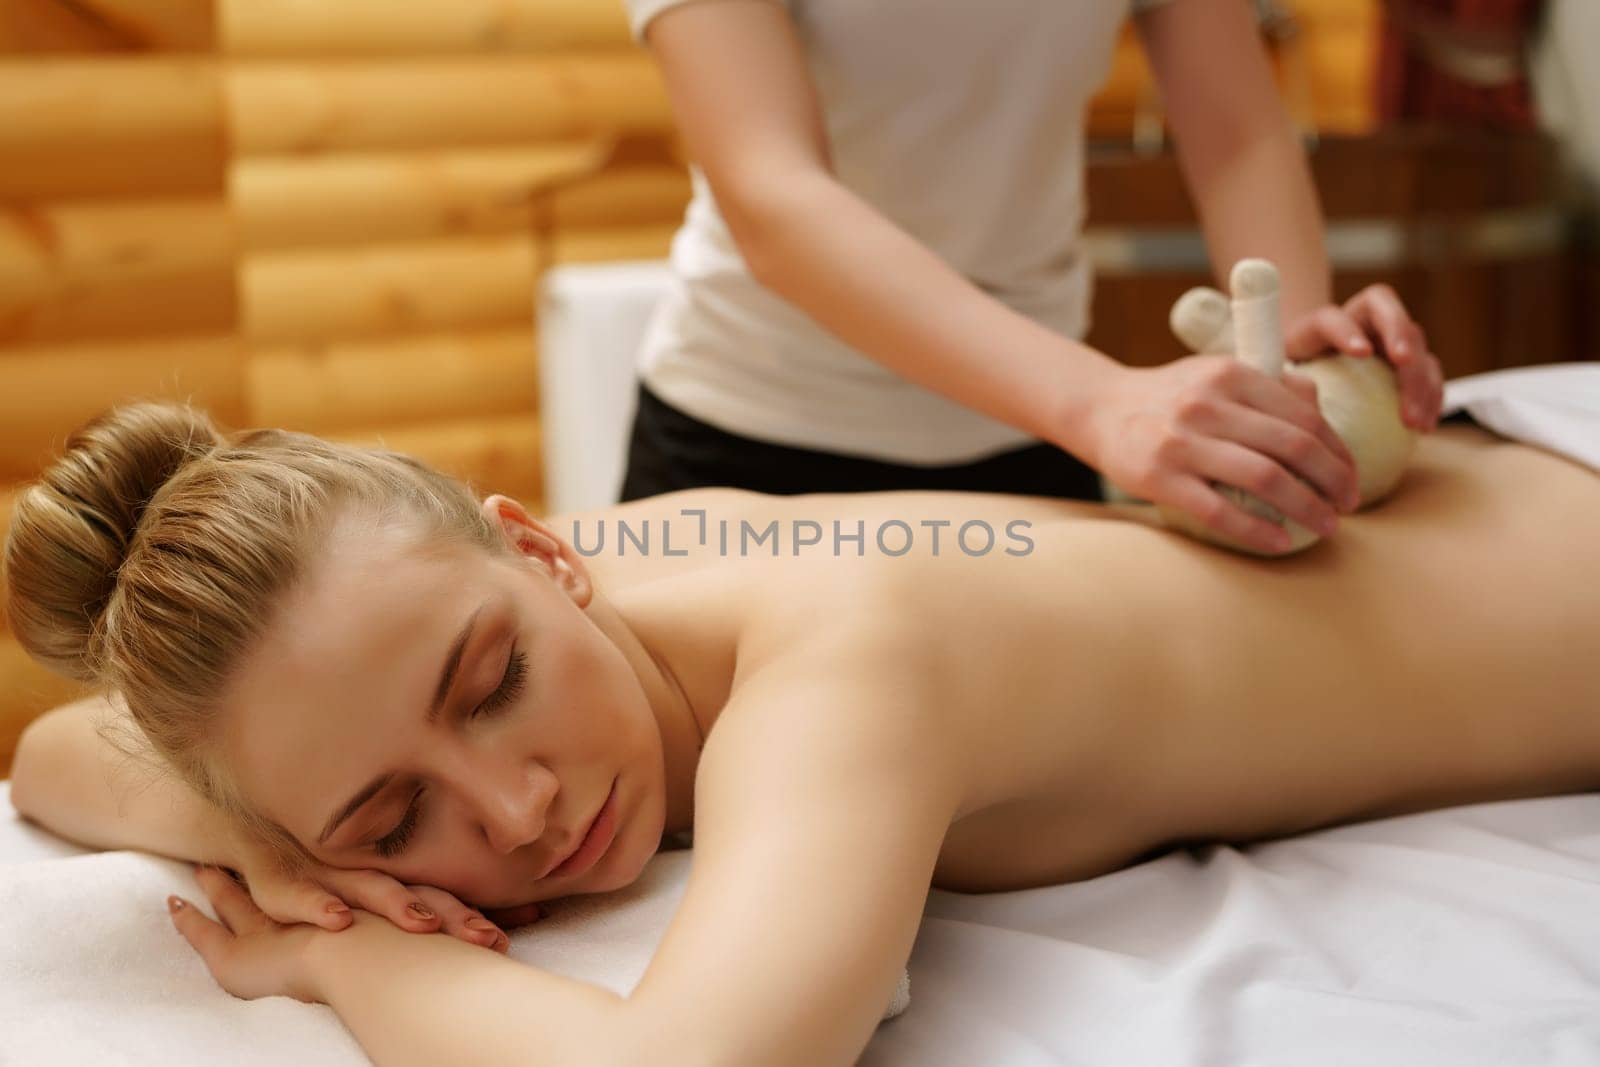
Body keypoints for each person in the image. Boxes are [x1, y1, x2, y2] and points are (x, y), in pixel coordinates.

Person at [7, 401, 1596, 1066]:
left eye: (488, 682)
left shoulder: (843, 656)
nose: (513, 804)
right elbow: (57, 755)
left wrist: (337, 953)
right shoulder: (505, 592)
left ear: (538, 548)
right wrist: (271, 838)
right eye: (391, 814)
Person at [617, 0, 1447, 556]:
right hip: (749, 451)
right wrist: (1100, 401)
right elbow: (775, 197)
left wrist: (1291, 350)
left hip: (1029, 452)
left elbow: (1238, 134)